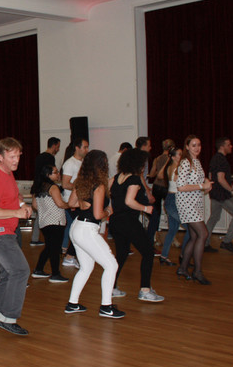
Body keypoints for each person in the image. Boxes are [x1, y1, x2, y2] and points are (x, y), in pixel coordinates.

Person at [0, 138, 32, 335]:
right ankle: (8, 317)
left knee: (8, 274)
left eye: (18, 156)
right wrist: (16, 213)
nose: (16, 160)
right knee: (20, 271)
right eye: (12, 157)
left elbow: (15, 196)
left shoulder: (8, 173)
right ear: (0, 157)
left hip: (6, 232)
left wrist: (22, 205)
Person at [64, 150, 123, 319]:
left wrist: (85, 204)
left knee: (86, 267)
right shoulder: (99, 186)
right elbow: (98, 215)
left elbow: (71, 203)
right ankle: (106, 307)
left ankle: (72, 304)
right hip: (87, 230)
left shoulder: (80, 182)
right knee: (111, 265)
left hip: (77, 227)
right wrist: (108, 211)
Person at [108, 149, 164, 302]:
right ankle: (145, 290)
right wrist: (146, 208)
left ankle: (111, 287)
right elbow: (129, 201)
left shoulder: (116, 177)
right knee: (148, 252)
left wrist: (110, 208)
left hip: (115, 222)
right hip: (128, 221)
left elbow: (106, 192)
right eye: (143, 163)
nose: (144, 167)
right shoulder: (134, 179)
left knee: (122, 254)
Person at [175, 135, 213, 284]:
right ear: (187, 147)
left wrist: (206, 184)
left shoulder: (196, 161)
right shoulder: (186, 162)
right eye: (194, 145)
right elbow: (181, 186)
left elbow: (198, 181)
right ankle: (197, 271)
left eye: (199, 145)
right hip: (187, 203)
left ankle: (183, 268)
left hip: (195, 202)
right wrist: (202, 186)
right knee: (203, 234)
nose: (197, 148)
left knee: (195, 236)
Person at [30, 164, 69, 283]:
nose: (58, 174)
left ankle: (38, 270)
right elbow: (60, 204)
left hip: (44, 222)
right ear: (48, 174)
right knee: (55, 249)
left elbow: (35, 205)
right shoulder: (53, 187)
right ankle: (55, 274)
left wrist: (45, 210)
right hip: (56, 221)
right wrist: (71, 205)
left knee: (49, 247)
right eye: (55, 172)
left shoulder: (38, 188)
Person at [205, 137, 233, 254]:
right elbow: (221, 179)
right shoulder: (221, 160)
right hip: (222, 195)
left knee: (213, 218)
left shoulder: (214, 159)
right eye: (228, 144)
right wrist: (232, 191)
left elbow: (210, 175)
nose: (231, 146)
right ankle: (227, 241)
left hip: (215, 193)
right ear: (222, 146)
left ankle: (204, 243)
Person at [61, 137, 89, 268]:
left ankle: (71, 255)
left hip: (79, 200)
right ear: (77, 148)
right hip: (71, 202)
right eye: (85, 147)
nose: (87, 150)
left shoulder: (82, 163)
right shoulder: (70, 163)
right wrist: (80, 188)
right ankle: (69, 256)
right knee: (78, 230)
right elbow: (65, 184)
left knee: (78, 230)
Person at [31, 137, 60, 247]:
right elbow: (48, 175)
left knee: (40, 213)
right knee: (44, 212)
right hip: (45, 189)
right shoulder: (50, 158)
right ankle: (43, 238)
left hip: (36, 187)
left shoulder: (39, 157)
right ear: (54, 146)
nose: (58, 149)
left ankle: (35, 238)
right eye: (58, 147)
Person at [147, 139, 175, 246]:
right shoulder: (172, 159)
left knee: (156, 213)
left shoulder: (157, 159)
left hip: (156, 187)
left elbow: (152, 174)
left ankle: (156, 237)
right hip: (166, 187)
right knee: (171, 212)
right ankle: (173, 238)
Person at [158, 147, 182, 266]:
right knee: (190, 228)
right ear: (173, 157)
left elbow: (160, 175)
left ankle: (164, 256)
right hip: (173, 200)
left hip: (172, 199)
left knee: (172, 230)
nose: (181, 156)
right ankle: (184, 256)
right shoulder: (176, 168)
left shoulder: (171, 167)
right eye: (179, 154)